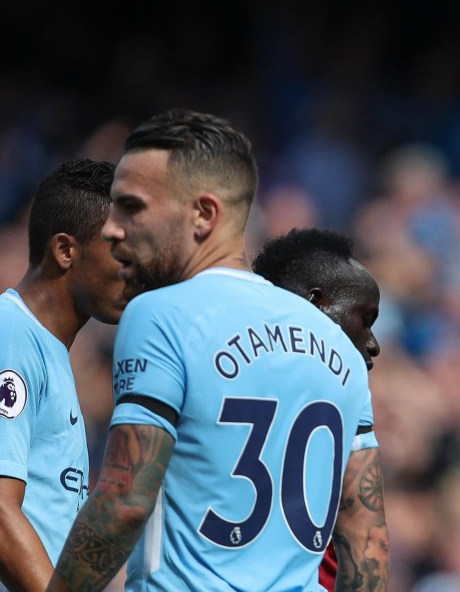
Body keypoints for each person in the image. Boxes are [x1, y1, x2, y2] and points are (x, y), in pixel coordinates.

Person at [47, 110, 383, 592]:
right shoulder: (340, 349)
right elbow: (367, 541)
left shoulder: (161, 314)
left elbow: (125, 501)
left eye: (131, 207)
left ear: (204, 214)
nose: (112, 228)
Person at [0, 159, 127, 592]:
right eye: (120, 251)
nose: (135, 271)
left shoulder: (50, 351)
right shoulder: (11, 333)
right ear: (65, 250)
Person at [251, 228, 388, 591]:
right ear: (313, 304)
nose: (373, 345)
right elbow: (366, 541)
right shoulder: (346, 389)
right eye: (366, 319)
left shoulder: (214, 376)